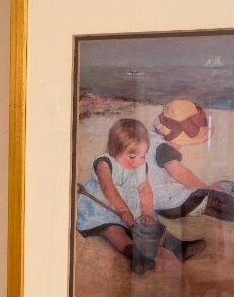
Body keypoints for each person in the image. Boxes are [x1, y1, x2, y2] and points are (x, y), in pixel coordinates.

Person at [77, 118, 205, 275]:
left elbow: (145, 189)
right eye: (132, 157)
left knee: (150, 226)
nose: (138, 162)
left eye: (143, 155)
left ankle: (179, 247)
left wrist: (147, 212)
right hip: (103, 209)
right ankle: (136, 257)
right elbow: (107, 188)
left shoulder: (139, 165)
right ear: (114, 150)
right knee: (113, 230)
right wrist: (123, 209)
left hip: (130, 206)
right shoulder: (104, 163)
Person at [146, 100, 234, 224]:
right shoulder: (163, 148)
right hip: (171, 201)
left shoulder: (148, 139)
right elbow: (180, 174)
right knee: (216, 198)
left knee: (207, 206)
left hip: (158, 206)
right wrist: (206, 187)